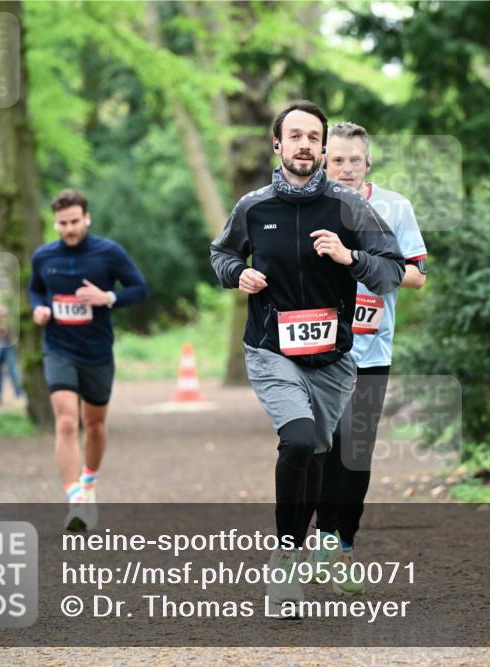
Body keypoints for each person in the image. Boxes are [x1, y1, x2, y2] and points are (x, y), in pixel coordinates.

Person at [210, 101, 405, 616]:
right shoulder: (254, 206)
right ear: (277, 145)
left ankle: (301, 545)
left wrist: (349, 258)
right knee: (296, 440)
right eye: (293, 135)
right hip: (272, 350)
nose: (302, 144)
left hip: (334, 359)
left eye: (312, 137)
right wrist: (238, 274)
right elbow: (221, 253)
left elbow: (392, 270)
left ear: (322, 148)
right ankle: (286, 564)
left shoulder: (347, 207)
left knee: (318, 452)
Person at [310, 122, 428, 595]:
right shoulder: (307, 207)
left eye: (354, 160)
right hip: (317, 349)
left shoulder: (394, 207)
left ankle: (343, 544)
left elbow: (417, 276)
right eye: (336, 160)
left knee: (355, 453)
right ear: (324, 162)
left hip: (371, 348)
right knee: (322, 448)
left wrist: (355, 260)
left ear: (368, 163)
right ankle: (323, 537)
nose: (345, 169)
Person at [28, 188, 148, 531]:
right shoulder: (43, 256)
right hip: (58, 348)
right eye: (62, 223)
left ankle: (89, 483)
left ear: (87, 218)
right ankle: (75, 498)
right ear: (55, 222)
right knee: (66, 422)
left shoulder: (108, 253)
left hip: (96, 351)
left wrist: (106, 296)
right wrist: (38, 307)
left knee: (94, 425)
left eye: (75, 222)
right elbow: (35, 288)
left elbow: (139, 288)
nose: (69, 229)